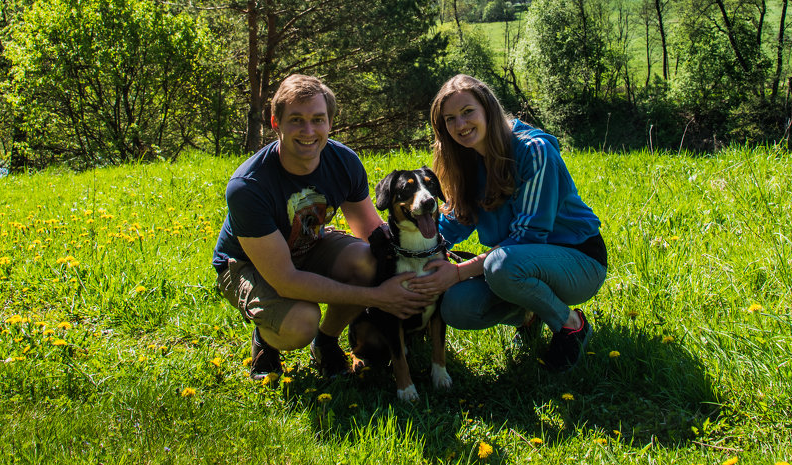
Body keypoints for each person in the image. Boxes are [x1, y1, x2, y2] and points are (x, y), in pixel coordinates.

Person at [212, 74, 431, 380]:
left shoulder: (343, 161)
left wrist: (424, 263)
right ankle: (267, 341)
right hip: (247, 264)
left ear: (331, 123)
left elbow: (371, 229)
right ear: (276, 123)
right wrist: (378, 297)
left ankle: (326, 342)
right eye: (296, 120)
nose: (308, 131)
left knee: (368, 260)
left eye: (318, 119)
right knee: (302, 321)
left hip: (307, 245)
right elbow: (286, 280)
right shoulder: (248, 186)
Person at [408, 74, 607, 371]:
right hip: (518, 263)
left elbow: (528, 237)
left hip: (578, 261)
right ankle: (531, 314)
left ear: (488, 108)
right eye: (450, 119)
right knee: (456, 307)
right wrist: (403, 250)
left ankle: (571, 325)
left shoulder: (533, 150)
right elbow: (452, 224)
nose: (460, 125)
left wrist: (459, 272)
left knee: (501, 266)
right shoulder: (467, 162)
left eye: (467, 112)